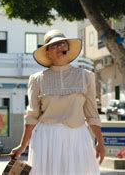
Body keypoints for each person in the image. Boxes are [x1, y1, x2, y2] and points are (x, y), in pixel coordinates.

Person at [10, 29, 105, 175]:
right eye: (54, 45)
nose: (60, 47)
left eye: (62, 44)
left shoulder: (86, 76)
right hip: (46, 138)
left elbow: (92, 113)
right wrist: (22, 146)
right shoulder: (37, 79)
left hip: (77, 137)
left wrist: (100, 141)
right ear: (47, 52)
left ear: (68, 48)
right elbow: (32, 115)